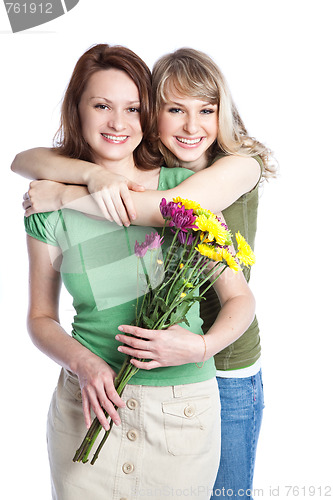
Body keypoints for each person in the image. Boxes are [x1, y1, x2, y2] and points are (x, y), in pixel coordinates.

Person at [16, 44, 256, 500]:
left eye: (134, 108)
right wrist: (82, 362)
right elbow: (40, 318)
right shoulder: (44, 205)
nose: (118, 122)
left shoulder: (183, 196)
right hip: (86, 410)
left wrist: (201, 345)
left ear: (147, 117)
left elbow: (241, 300)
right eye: (102, 105)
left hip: (181, 414)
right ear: (78, 110)